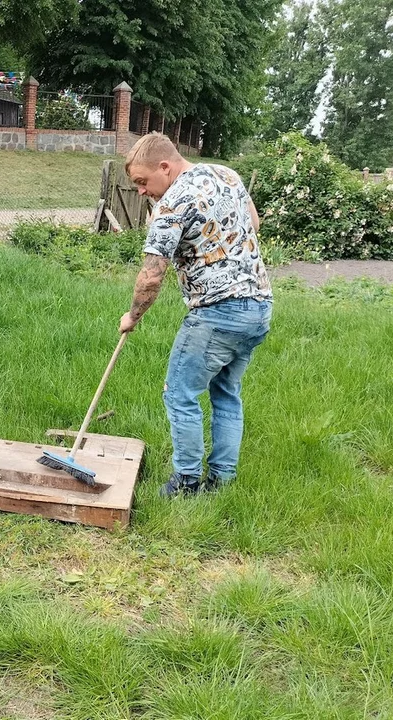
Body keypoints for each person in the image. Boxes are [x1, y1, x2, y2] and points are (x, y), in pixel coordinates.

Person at [118, 133, 272, 497]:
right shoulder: (226, 174)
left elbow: (152, 275)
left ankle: (185, 483)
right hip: (260, 307)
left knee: (180, 394)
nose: (141, 191)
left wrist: (133, 316)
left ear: (165, 167)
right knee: (226, 393)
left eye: (143, 182)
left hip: (218, 313)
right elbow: (253, 222)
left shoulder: (170, 206)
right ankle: (221, 482)